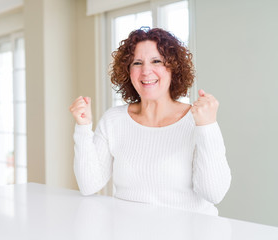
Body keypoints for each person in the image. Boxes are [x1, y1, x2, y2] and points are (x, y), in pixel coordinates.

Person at [69, 27, 231, 216]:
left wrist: (207, 127)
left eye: (156, 61)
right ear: (128, 71)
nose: (146, 71)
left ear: (174, 69)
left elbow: (214, 193)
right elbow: (89, 185)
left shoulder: (197, 120)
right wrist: (83, 128)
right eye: (137, 63)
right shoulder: (113, 120)